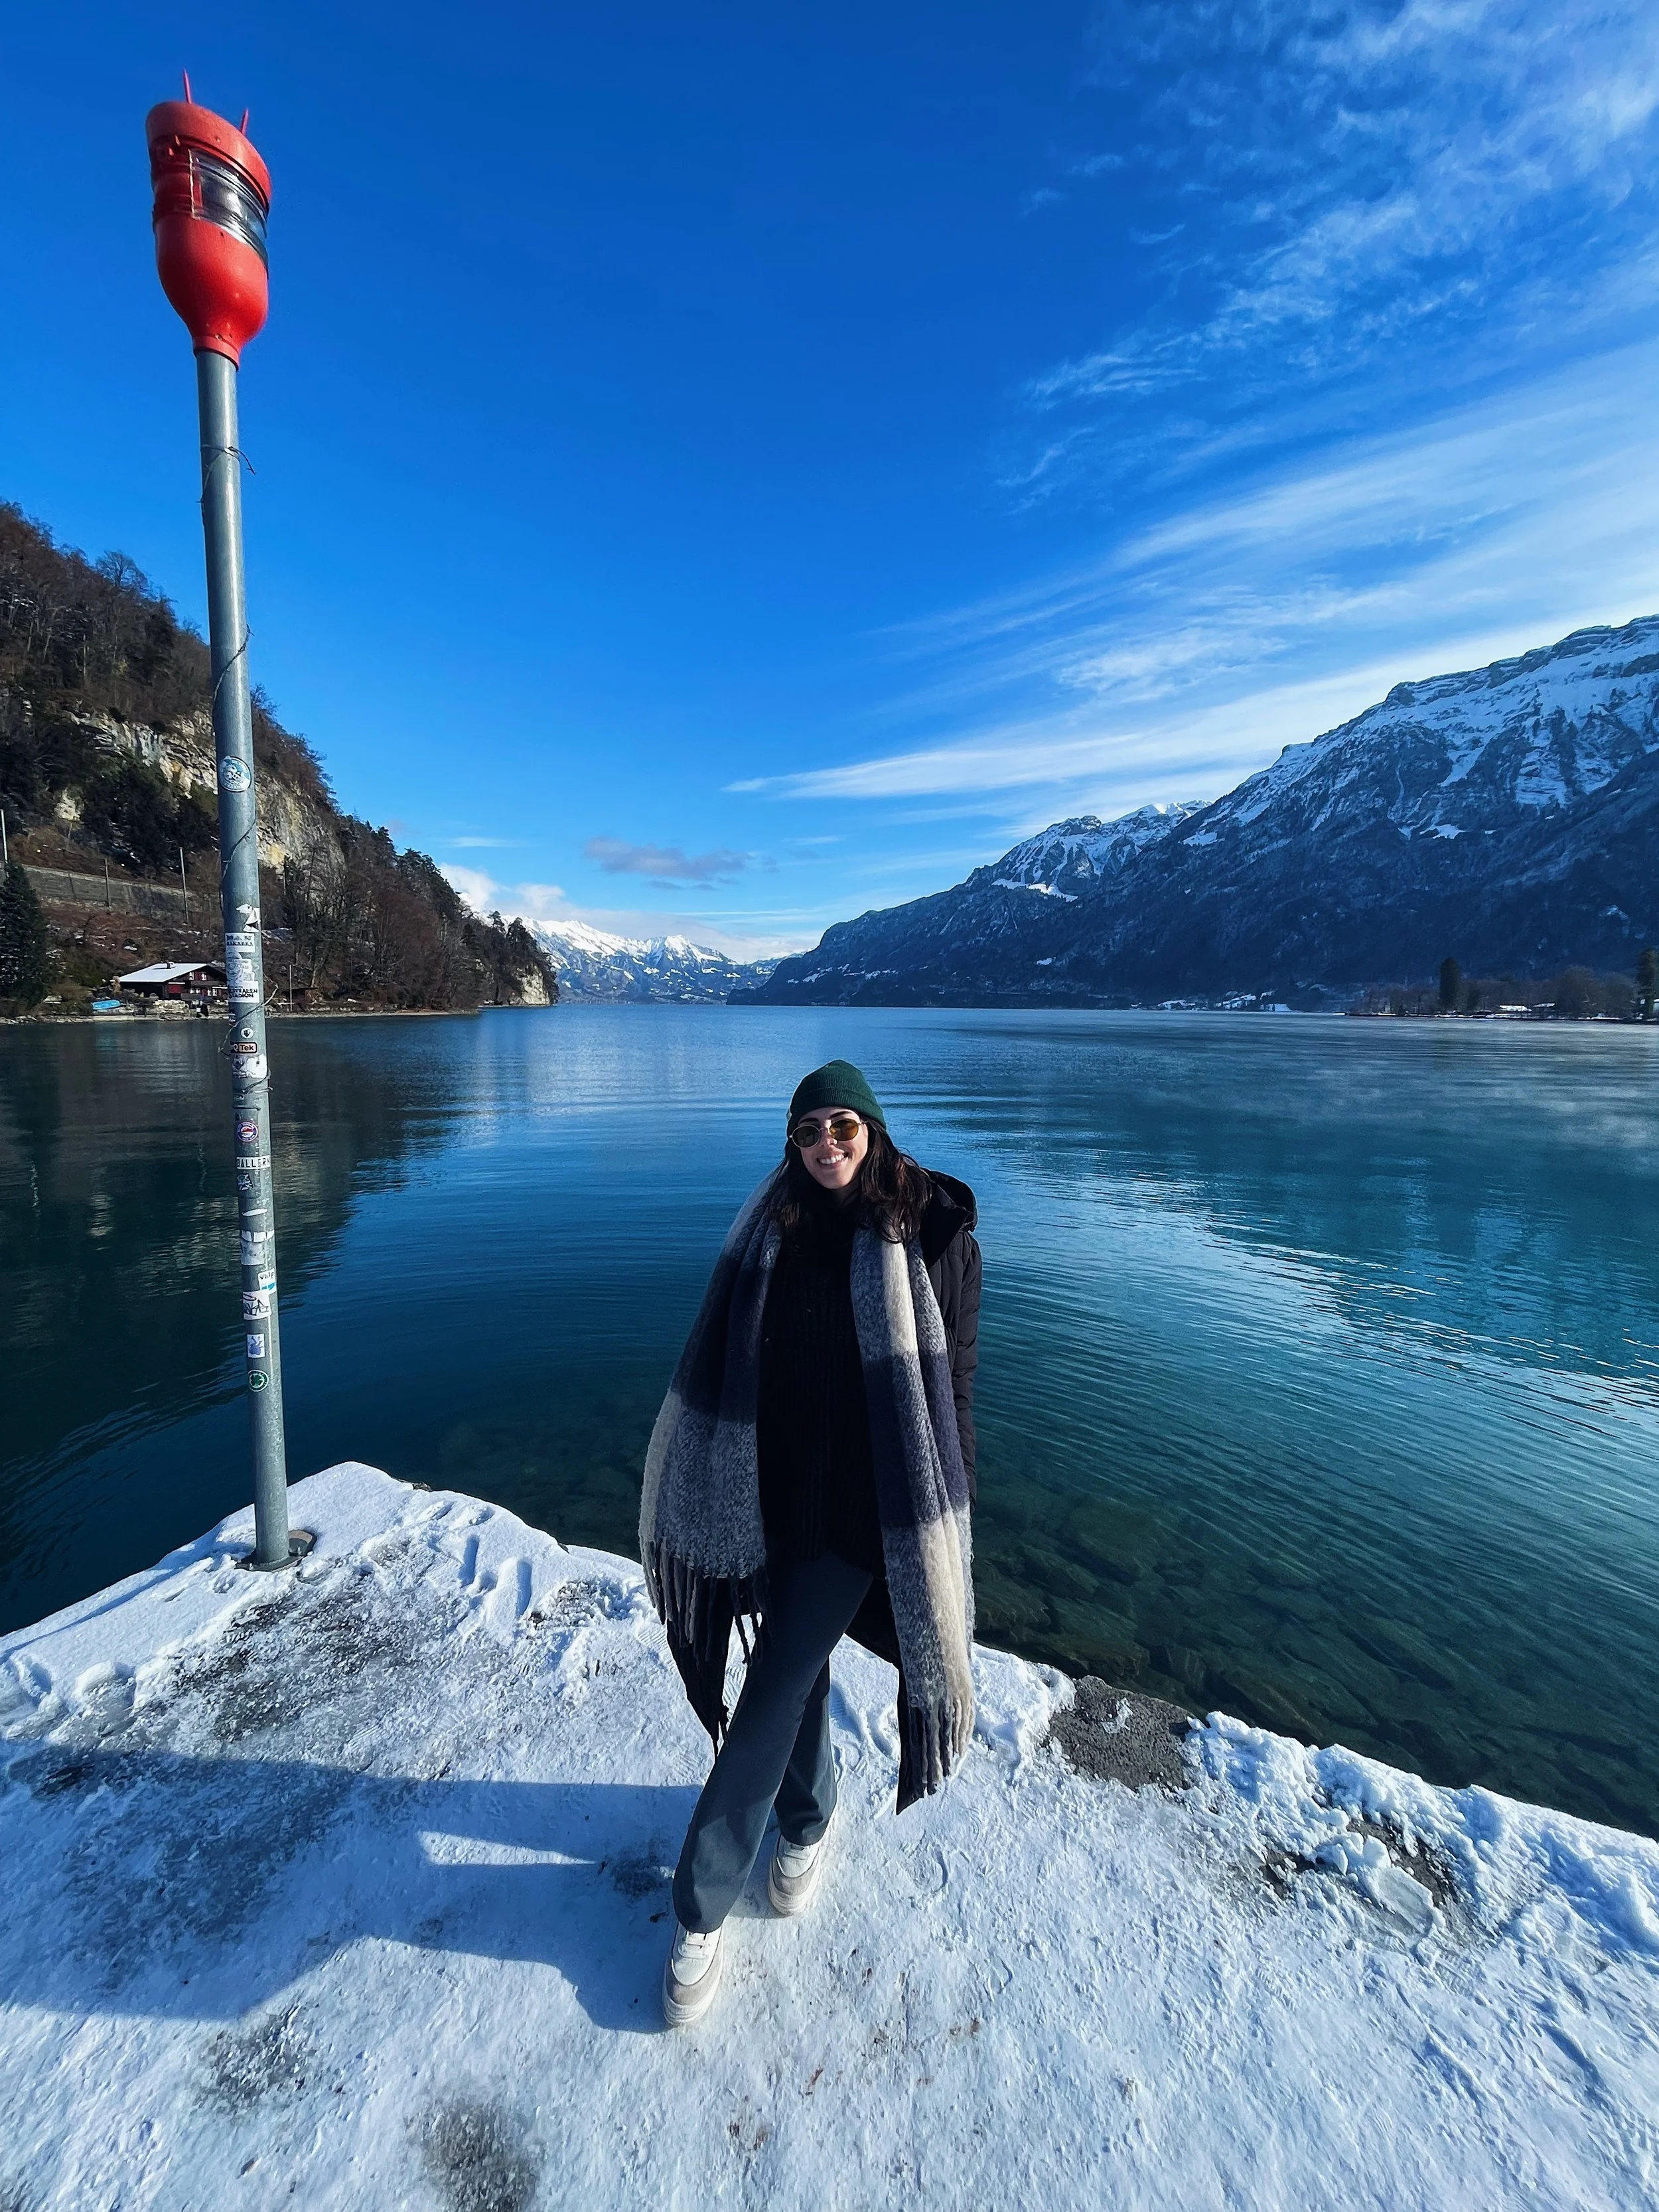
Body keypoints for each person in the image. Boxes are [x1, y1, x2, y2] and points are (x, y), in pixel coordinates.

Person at [639, 1058, 981, 2028]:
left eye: (841, 1127)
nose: (825, 1146)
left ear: (871, 1129)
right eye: (807, 1133)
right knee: (800, 1665)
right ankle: (808, 1819)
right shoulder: (770, 1227)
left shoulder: (934, 1231)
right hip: (771, 1492)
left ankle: (700, 1905)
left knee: (777, 1679)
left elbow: (951, 1387)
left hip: (868, 1510)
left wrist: (947, 1509)